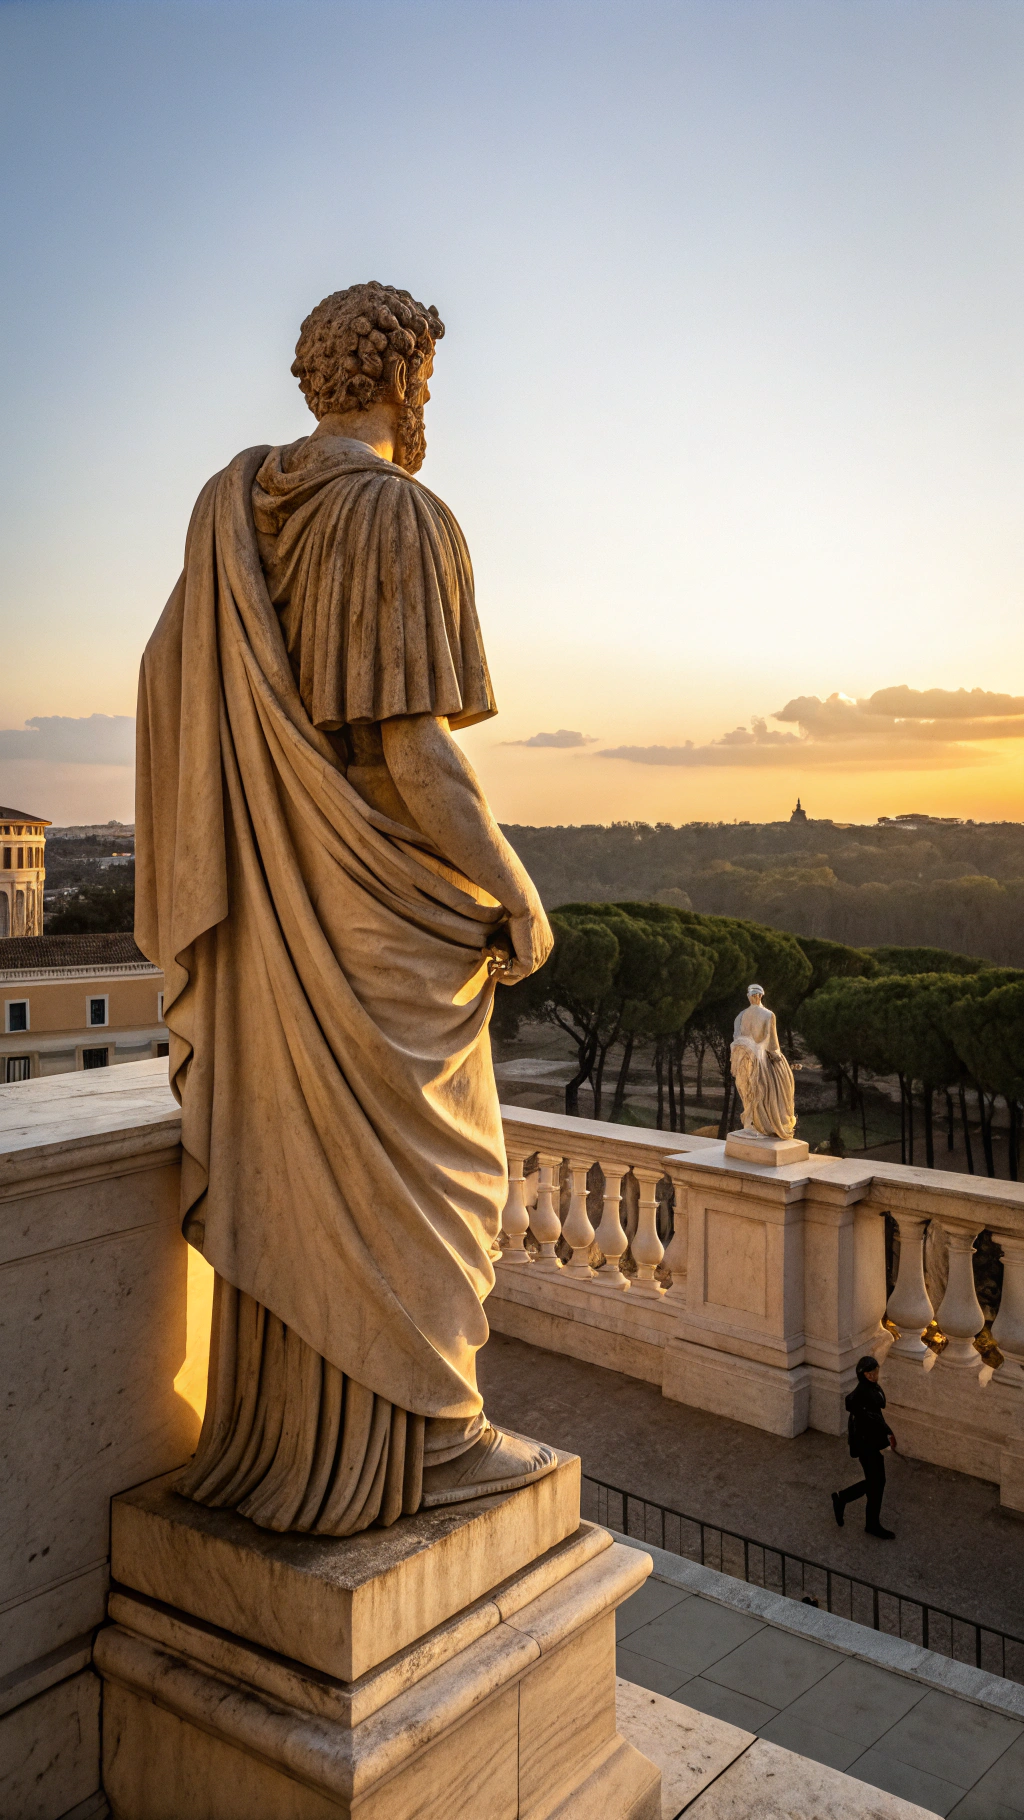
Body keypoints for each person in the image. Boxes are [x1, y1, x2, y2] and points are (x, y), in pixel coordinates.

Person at [135, 282, 557, 1537]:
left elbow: (171, 688)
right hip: (372, 902)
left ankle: (292, 1445)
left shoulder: (231, 506)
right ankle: (429, 1439)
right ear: (410, 376)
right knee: (423, 1185)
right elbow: (414, 749)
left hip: (278, 896)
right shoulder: (399, 513)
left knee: (306, 1174)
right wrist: (516, 890)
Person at [832, 1356, 897, 1539]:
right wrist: (888, 1433)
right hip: (865, 1445)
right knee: (877, 1482)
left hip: (868, 1443)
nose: (877, 1374)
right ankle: (868, 1521)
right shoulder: (864, 1395)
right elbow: (873, 1418)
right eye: (874, 1371)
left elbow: (875, 1415)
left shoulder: (870, 1390)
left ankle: (844, 1500)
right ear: (868, 1375)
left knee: (876, 1482)